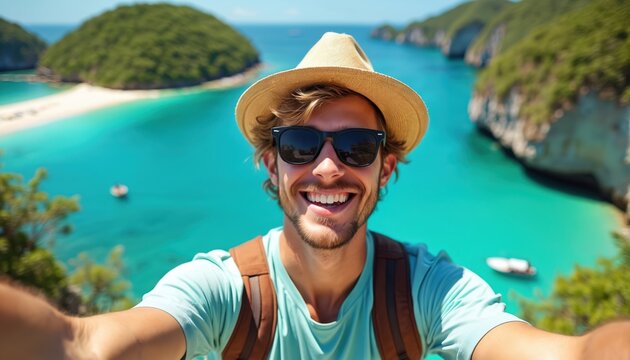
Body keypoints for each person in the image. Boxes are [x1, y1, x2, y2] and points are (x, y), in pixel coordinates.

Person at [1, 32, 629, 360]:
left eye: (356, 147)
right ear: (271, 165)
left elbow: (567, 351)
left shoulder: (427, 290)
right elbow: (80, 346)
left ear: (386, 168)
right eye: (301, 144)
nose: (328, 167)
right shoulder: (225, 290)